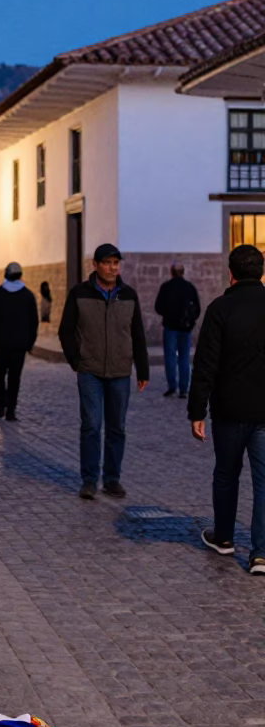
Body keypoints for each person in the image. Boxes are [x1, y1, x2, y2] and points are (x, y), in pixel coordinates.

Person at [188, 244, 265, 575]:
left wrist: (196, 410)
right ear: (261, 271)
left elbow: (206, 363)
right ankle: (260, 554)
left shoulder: (220, 308)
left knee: (226, 474)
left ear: (230, 273)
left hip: (229, 409)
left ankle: (224, 538)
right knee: (264, 482)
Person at [58, 243, 149, 500]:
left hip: (120, 371)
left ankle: (112, 479)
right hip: (90, 371)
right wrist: (77, 360)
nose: (112, 268)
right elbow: (66, 330)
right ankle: (89, 480)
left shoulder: (128, 295)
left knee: (117, 427)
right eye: (107, 263)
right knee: (91, 425)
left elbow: (138, 334)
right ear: (95, 265)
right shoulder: (79, 293)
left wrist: (142, 370)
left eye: (115, 263)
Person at [0, 262, 39, 421]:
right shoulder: (28, 296)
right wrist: (30, 343)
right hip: (19, 345)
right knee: (15, 377)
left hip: (0, 344)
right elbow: (34, 322)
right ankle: (11, 409)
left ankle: (0, 404)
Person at [155, 263, 201, 398]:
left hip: (170, 327)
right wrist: (191, 320)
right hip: (185, 328)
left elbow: (158, 307)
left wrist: (167, 314)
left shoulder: (166, 287)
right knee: (184, 358)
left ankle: (172, 386)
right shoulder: (190, 287)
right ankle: (183, 389)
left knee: (170, 357)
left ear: (171, 272)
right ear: (183, 271)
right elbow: (197, 308)